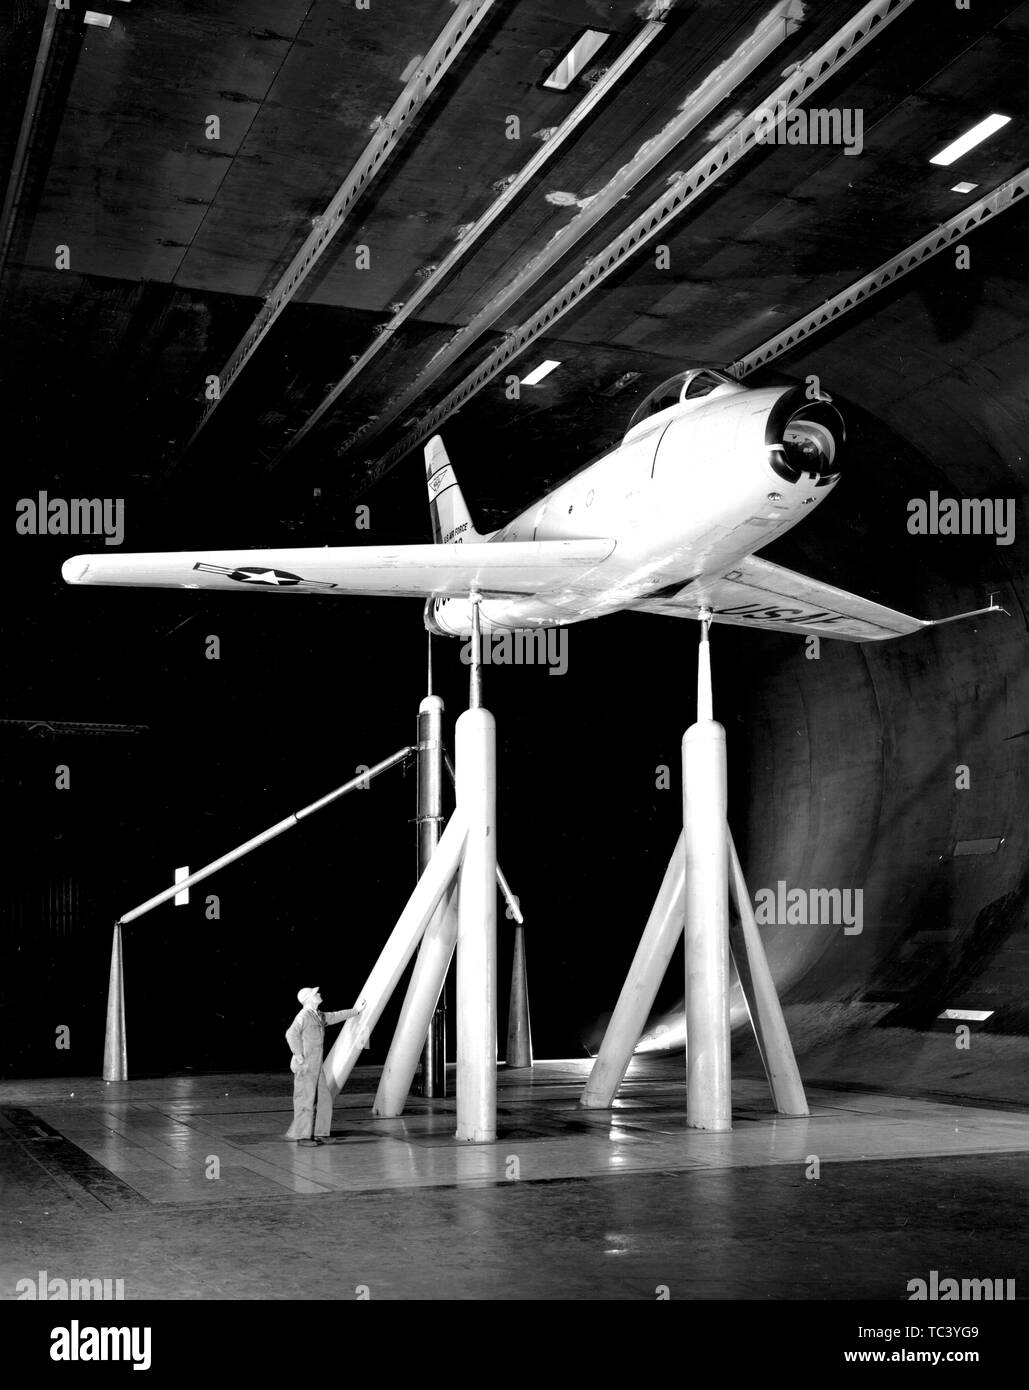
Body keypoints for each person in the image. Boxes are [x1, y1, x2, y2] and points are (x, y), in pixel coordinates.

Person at [285, 987, 363, 1145]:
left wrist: (356, 1011)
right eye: (316, 994)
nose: (319, 994)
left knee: (325, 1099)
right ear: (309, 999)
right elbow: (290, 1034)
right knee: (304, 1100)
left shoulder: (318, 1015)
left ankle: (321, 1133)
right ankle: (303, 1137)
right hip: (306, 1066)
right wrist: (298, 1054)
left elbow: (335, 1016)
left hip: (316, 1066)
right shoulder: (304, 1016)